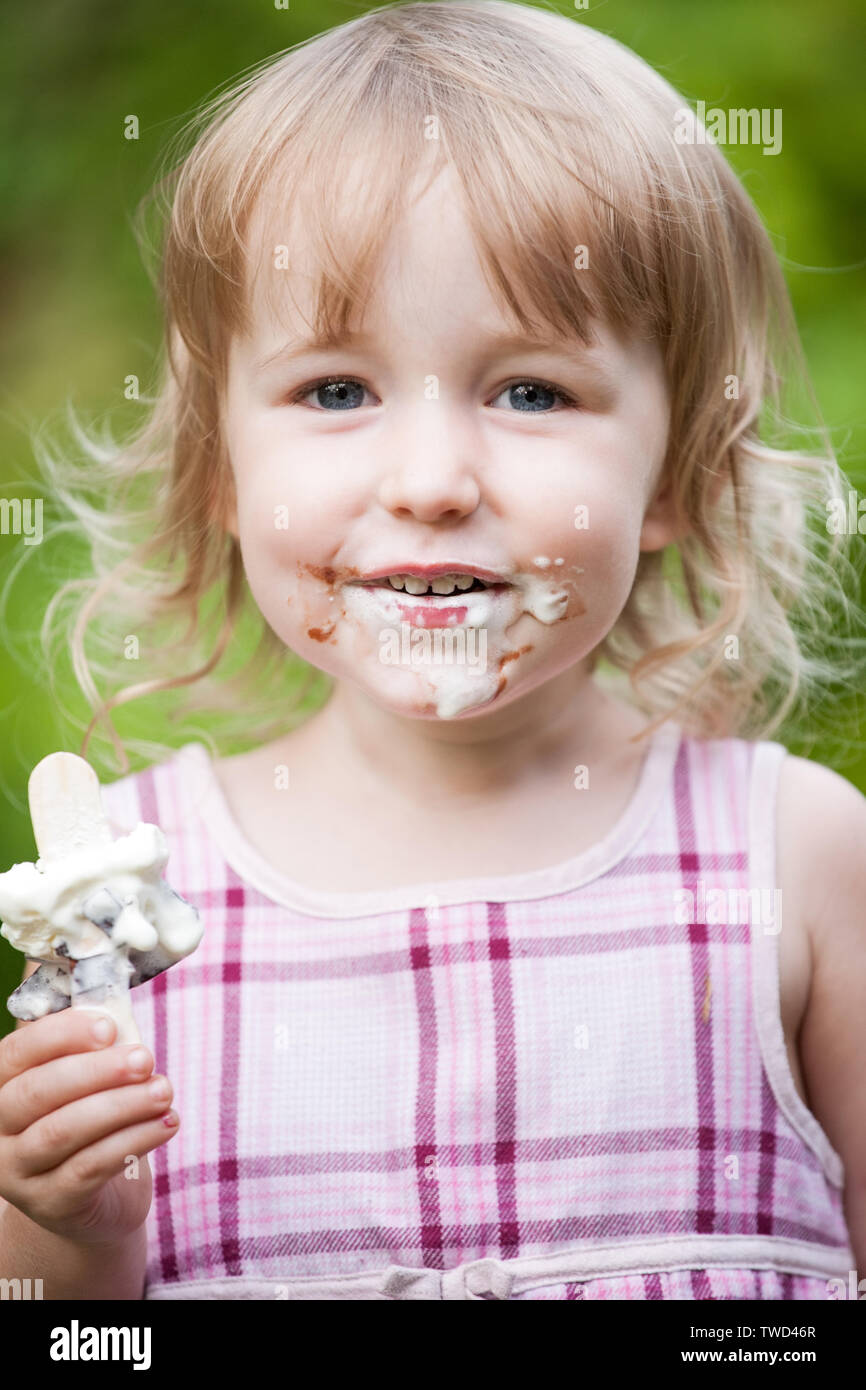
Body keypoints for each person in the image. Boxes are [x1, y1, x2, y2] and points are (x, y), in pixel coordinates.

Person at [1, 0, 865, 1300]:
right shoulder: (118, 897)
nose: (429, 479)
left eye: (531, 391)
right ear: (219, 469)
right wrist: (76, 1237)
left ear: (676, 471)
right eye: (334, 391)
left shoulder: (796, 858)